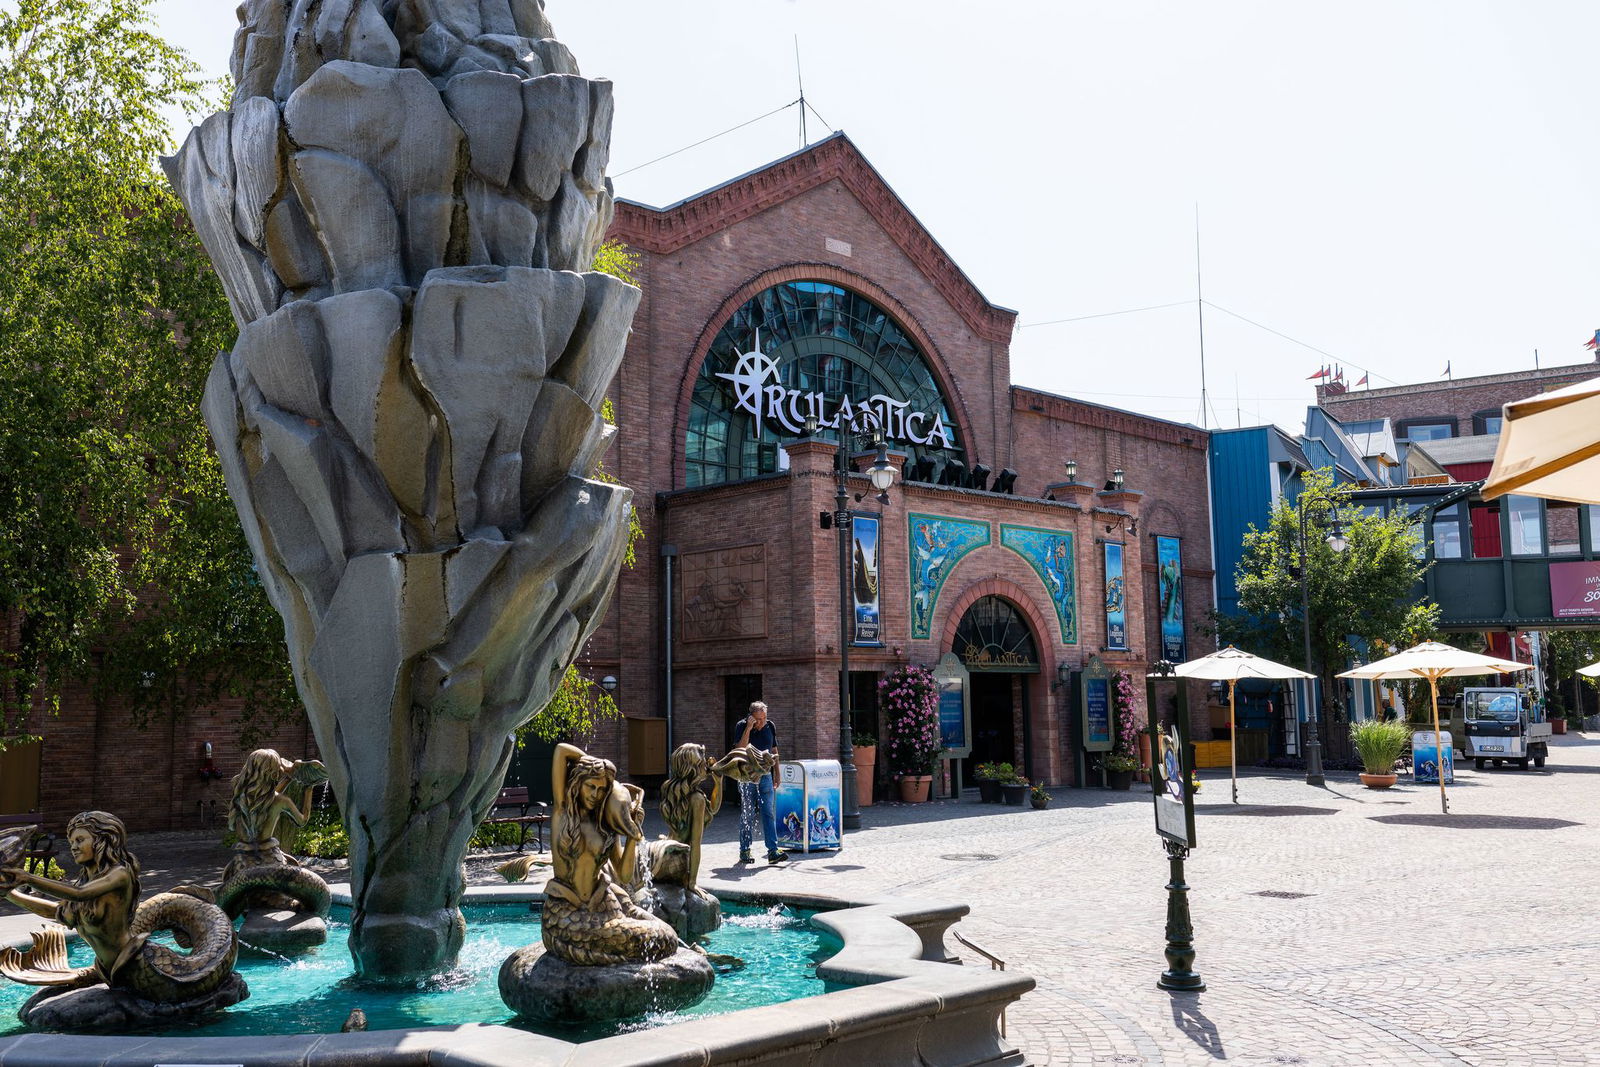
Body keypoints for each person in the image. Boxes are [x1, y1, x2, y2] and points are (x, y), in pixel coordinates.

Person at [733, 700, 785, 863]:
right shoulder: (742, 726)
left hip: (766, 776)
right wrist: (749, 728)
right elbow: (739, 749)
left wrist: (777, 772)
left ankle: (772, 851)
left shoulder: (770, 726)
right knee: (747, 813)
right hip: (747, 776)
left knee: (768, 812)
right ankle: (745, 850)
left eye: (763, 718)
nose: (761, 722)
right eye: (758, 719)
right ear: (751, 717)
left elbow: (774, 750)